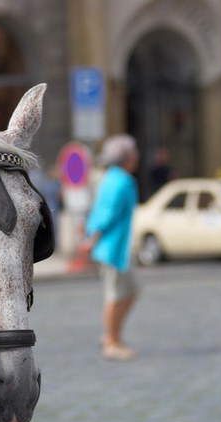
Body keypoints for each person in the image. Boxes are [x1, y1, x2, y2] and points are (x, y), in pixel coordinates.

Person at [79, 134, 140, 361]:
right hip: (113, 247)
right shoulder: (122, 180)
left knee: (129, 291)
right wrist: (91, 239)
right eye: (134, 152)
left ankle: (112, 336)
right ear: (127, 157)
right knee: (116, 296)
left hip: (113, 246)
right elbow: (108, 213)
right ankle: (112, 341)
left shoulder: (110, 177)